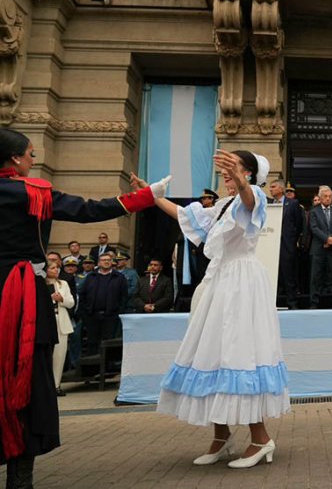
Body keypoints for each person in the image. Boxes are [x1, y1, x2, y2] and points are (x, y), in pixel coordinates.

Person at [0, 128, 159, 486]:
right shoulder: (34, 192)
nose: (33, 159)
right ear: (14, 158)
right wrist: (143, 197)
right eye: (29, 154)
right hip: (22, 296)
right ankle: (19, 478)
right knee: (29, 379)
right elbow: (89, 210)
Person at [136, 149, 289, 468]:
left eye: (233, 168)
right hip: (219, 281)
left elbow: (249, 199)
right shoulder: (222, 206)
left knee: (239, 354)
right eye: (225, 169)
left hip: (241, 283)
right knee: (211, 354)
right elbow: (183, 215)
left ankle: (261, 439)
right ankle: (222, 436)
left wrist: (240, 178)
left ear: (248, 173)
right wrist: (151, 194)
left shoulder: (255, 196)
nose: (225, 173)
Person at [80, 252, 128, 355]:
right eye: (103, 260)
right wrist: (85, 313)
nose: (106, 262)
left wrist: (117, 312)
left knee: (108, 343)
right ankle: (92, 364)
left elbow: (124, 297)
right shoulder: (91, 276)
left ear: (112, 262)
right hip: (92, 316)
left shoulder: (119, 277)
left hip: (110, 317)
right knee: (92, 343)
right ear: (99, 263)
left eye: (108, 260)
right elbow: (83, 295)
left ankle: (106, 364)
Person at [308, 185, 332, 309]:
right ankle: (314, 302)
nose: (328, 198)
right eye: (325, 196)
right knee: (316, 277)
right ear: (320, 198)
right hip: (319, 248)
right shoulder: (314, 211)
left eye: (330, 196)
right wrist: (326, 239)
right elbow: (313, 228)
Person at [270, 179, 304, 309]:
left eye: (273, 187)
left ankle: (292, 302)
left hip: (287, 245)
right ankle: (272, 302)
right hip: (271, 244)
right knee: (272, 274)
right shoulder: (269, 204)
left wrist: (292, 239)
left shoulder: (293, 203)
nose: (271, 189)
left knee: (288, 274)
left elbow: (298, 224)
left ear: (281, 189)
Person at [46, 262, 75, 397]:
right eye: (52, 268)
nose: (56, 270)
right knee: (47, 355)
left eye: (57, 267)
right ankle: (46, 385)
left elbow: (71, 303)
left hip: (60, 319)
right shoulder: (40, 284)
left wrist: (61, 299)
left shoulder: (63, 284)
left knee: (59, 354)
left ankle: (56, 385)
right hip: (46, 320)